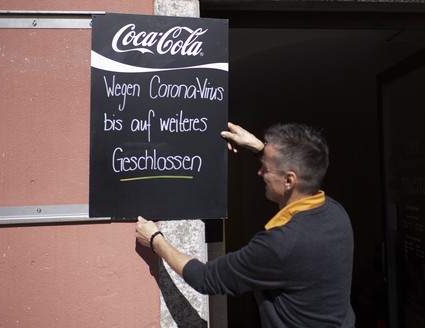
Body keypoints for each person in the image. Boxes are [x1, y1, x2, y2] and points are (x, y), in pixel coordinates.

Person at [135, 121, 355, 327]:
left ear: (289, 180)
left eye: (265, 169)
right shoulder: (336, 213)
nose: (260, 173)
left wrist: (155, 240)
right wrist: (260, 149)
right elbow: (294, 173)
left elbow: (205, 278)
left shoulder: (280, 246)